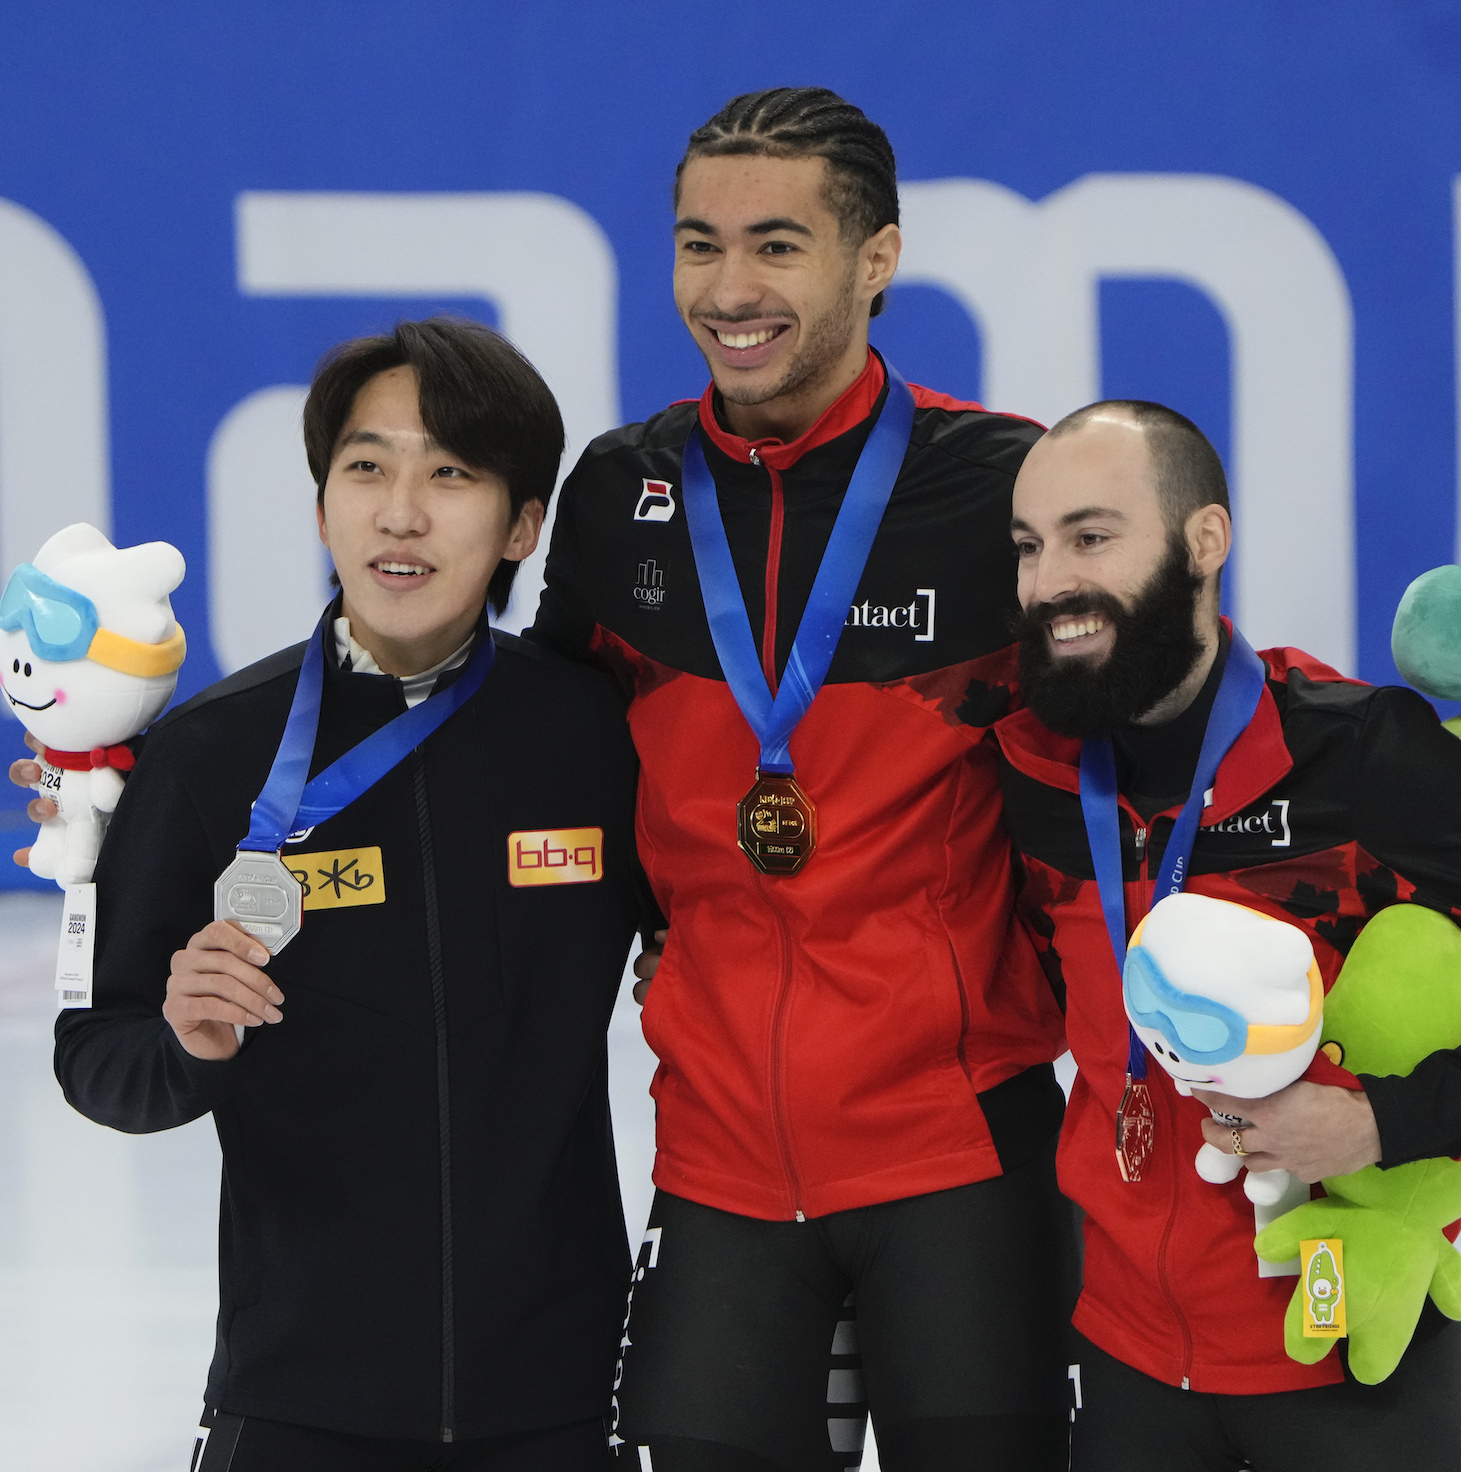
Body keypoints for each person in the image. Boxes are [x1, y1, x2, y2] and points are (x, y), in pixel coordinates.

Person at [529, 88, 1073, 1470]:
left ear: (875, 260)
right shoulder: (621, 492)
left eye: (776, 246)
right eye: (697, 245)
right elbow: (524, 749)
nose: (727, 290)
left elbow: (1170, 717)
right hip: (715, 1153)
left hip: (959, 1148)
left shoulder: (1003, 490)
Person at [994, 401, 1461, 1470]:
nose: (1049, 581)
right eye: (1029, 547)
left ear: (1204, 539)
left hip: (1350, 1355)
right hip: (1124, 1355)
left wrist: (1377, 1122)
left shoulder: (1358, 756)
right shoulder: (1030, 763)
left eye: (1092, 535)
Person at [42, 318, 648, 1470]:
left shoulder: (596, 738)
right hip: (298, 1400)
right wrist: (187, 1041)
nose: (401, 511)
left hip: (563, 1396)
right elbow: (97, 1056)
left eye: (452, 473)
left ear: (523, 523)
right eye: (366, 467)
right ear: (322, 503)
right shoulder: (213, 754)